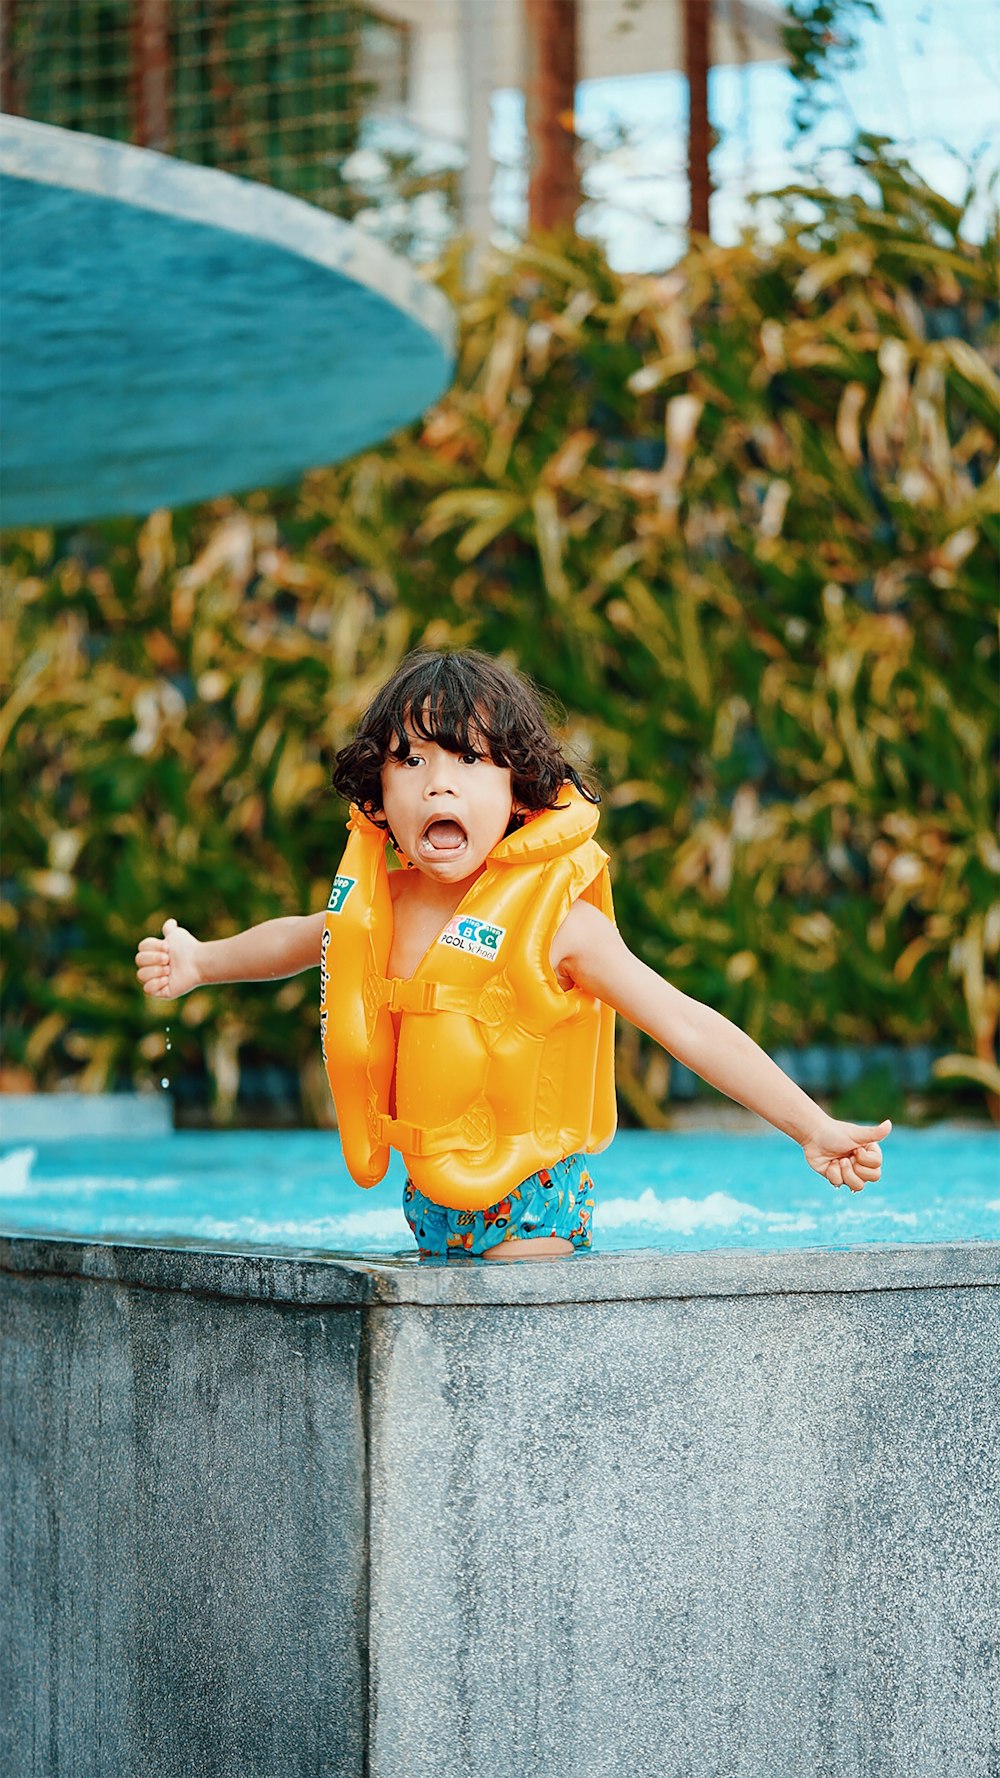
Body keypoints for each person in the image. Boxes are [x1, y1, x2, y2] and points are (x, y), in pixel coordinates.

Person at [135, 649, 891, 1261]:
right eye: (411, 761)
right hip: (431, 1203)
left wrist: (810, 1127)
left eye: (468, 762)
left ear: (520, 791)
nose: (439, 786)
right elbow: (295, 940)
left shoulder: (560, 923)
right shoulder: (385, 906)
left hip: (533, 1209)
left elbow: (685, 1024)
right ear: (377, 794)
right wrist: (203, 962)